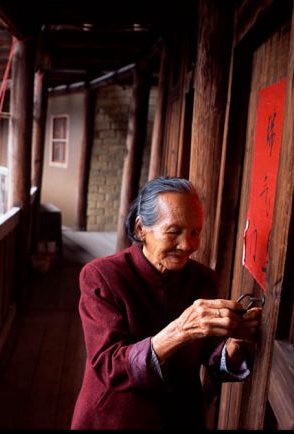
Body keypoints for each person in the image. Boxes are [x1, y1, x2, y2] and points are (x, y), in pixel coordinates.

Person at [71, 177, 262, 429]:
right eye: (174, 231)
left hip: (180, 416)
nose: (187, 245)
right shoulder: (102, 276)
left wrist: (235, 343)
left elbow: (212, 356)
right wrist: (181, 330)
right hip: (117, 417)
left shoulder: (202, 278)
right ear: (141, 229)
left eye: (195, 232)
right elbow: (109, 365)